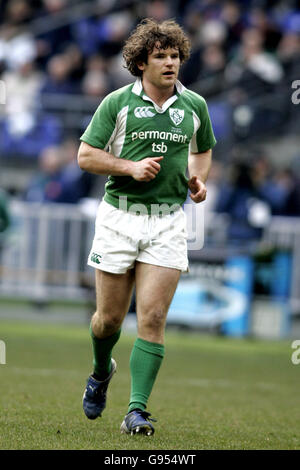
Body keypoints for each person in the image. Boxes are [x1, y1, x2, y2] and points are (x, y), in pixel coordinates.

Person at [78, 18, 216, 436]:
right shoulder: (117, 103)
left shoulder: (195, 106)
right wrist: (128, 167)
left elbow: (203, 149)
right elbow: (86, 156)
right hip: (119, 217)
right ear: (141, 63)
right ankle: (102, 371)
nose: (170, 63)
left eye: (174, 55)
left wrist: (198, 178)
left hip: (168, 221)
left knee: (153, 316)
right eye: (160, 56)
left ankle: (136, 410)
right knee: (108, 322)